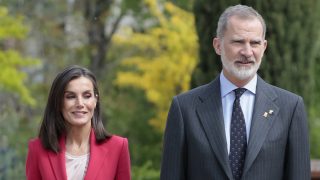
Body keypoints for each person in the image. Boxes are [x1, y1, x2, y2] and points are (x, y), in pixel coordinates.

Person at [160, 4, 310, 180]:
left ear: (264, 47)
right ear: (218, 46)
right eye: (238, 42)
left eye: (254, 43)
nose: (247, 52)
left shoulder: (290, 108)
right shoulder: (185, 108)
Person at [26, 65, 131, 180]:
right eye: (70, 97)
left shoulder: (118, 147)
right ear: (59, 103)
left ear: (95, 100)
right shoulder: (37, 149)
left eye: (87, 96)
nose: (80, 103)